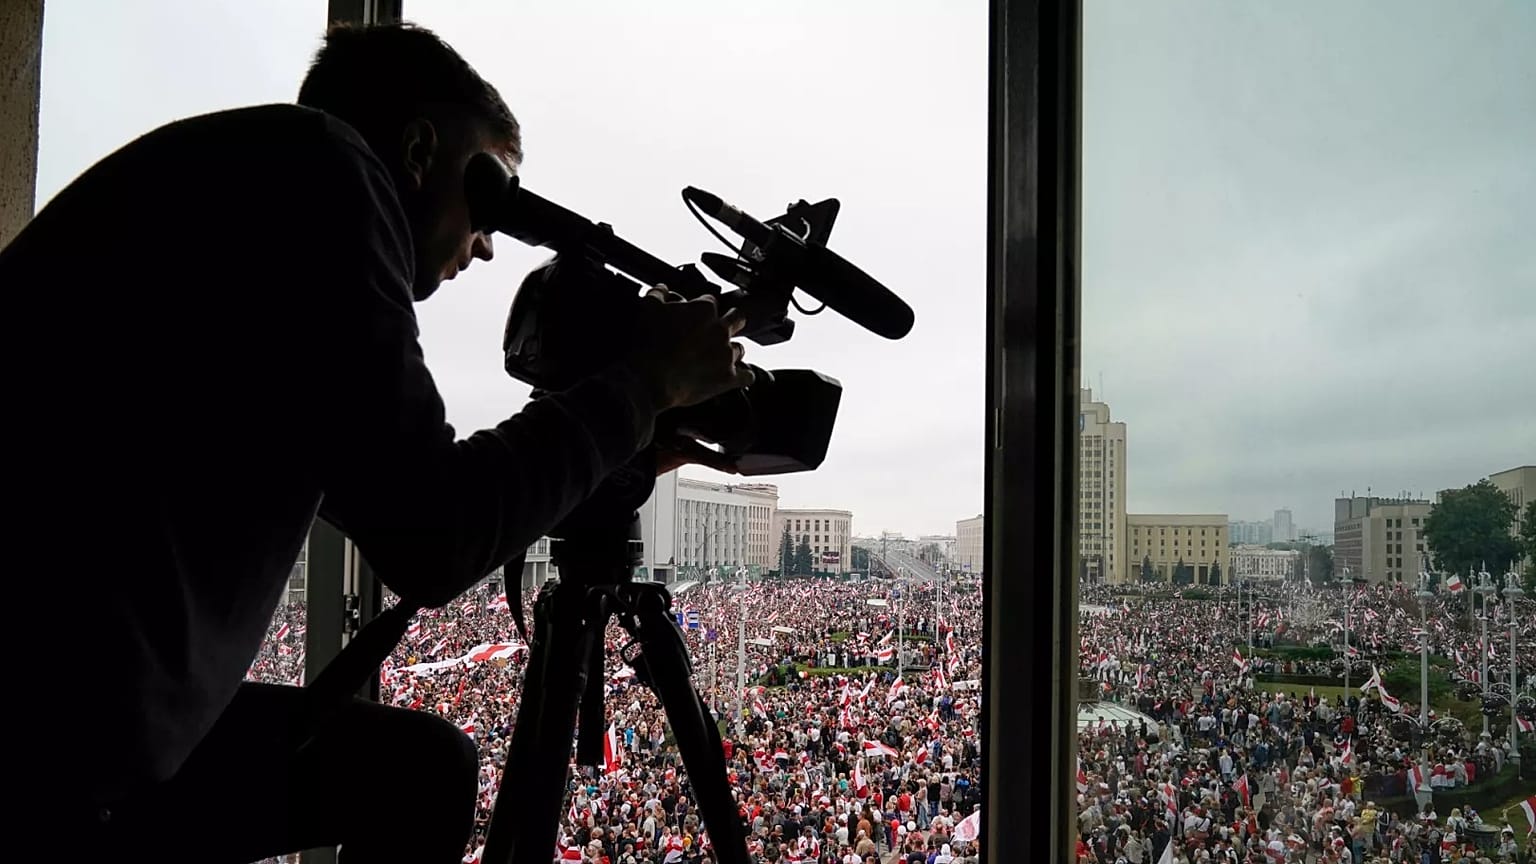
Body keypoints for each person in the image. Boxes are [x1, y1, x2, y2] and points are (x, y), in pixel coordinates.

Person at [7, 22, 752, 863]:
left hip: (57, 706)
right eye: (492, 196)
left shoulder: (241, 198)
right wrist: (642, 386)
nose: (488, 242)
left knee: (417, 768)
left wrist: (616, 444)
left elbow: (412, 493)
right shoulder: (327, 174)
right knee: (416, 771)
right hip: (50, 752)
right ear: (419, 149)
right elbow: (435, 531)